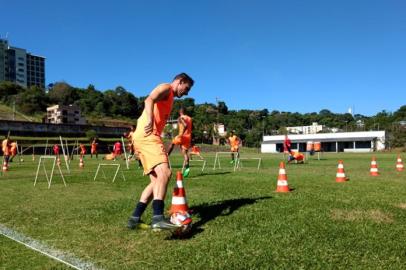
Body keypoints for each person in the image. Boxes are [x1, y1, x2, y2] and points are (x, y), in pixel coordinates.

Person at [127, 73, 194, 230]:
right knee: (165, 173)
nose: (187, 92)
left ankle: (134, 218)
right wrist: (150, 119)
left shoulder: (170, 97)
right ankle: (158, 217)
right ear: (180, 81)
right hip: (148, 136)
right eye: (187, 88)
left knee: (157, 181)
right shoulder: (167, 88)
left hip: (144, 137)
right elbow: (149, 99)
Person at [167, 107, 192, 177]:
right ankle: (187, 169)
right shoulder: (189, 118)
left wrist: (182, 134)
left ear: (180, 112)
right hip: (188, 137)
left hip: (182, 136)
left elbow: (185, 125)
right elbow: (190, 127)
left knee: (172, 143)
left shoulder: (180, 118)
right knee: (184, 153)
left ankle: (166, 156)